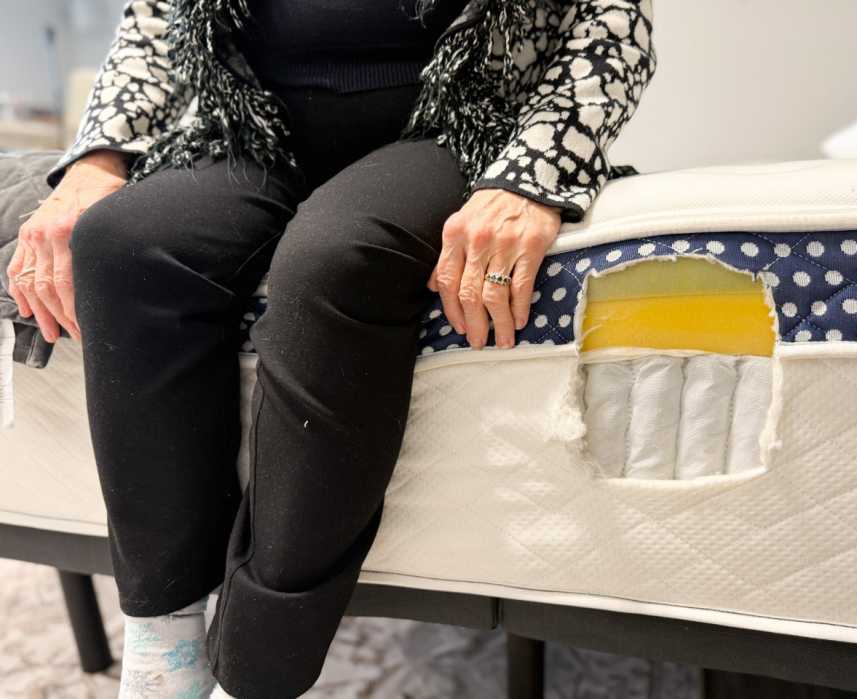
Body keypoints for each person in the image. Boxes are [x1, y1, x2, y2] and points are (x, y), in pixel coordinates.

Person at [6, 1, 656, 697]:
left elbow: (612, 22)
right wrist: (94, 165)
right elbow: (154, 21)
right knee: (121, 244)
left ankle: (256, 673)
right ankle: (163, 652)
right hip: (255, 122)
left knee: (332, 261)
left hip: (452, 125)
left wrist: (533, 172)